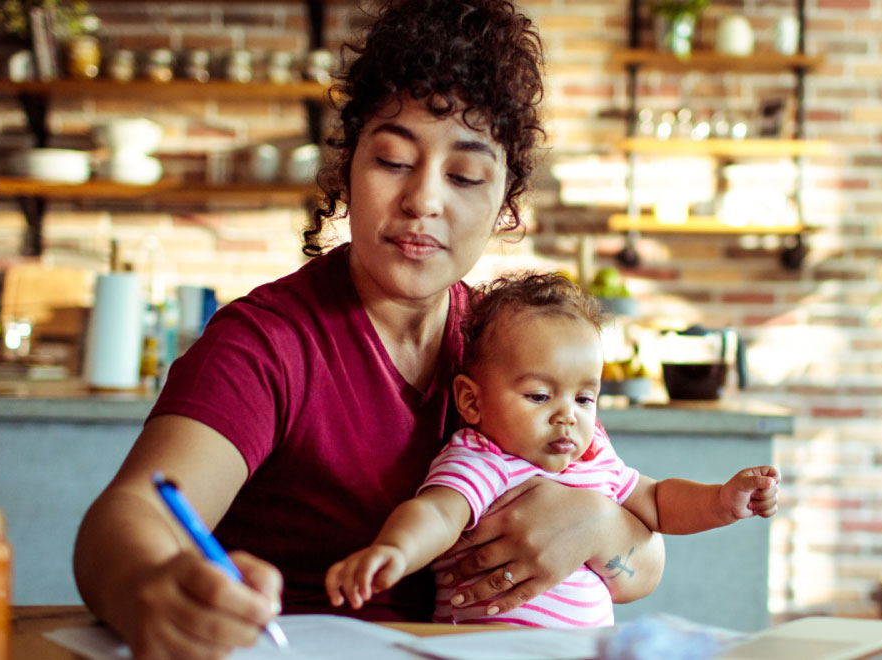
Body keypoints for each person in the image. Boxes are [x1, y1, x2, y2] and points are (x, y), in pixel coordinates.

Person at [71, 0, 666, 657]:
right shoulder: (268, 343)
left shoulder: (515, 342)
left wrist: (593, 526)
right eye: (391, 161)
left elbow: (646, 561)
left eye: (466, 175)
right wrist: (150, 588)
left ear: (504, 204)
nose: (424, 200)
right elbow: (126, 522)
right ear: (348, 167)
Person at [324, 273, 780, 627]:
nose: (568, 416)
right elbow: (438, 514)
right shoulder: (483, 457)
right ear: (472, 401)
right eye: (540, 396)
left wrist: (721, 500)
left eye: (584, 398)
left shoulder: (593, 456)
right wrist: (395, 551)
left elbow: (659, 502)